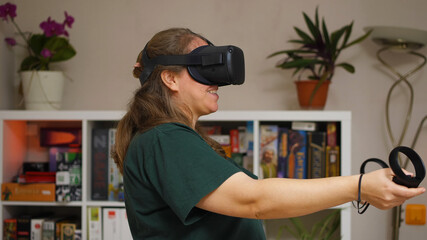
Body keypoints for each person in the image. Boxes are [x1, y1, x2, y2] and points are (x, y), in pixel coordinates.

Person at [112, 27, 425, 239]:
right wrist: (359, 187)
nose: (217, 82)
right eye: (203, 67)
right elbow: (254, 200)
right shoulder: (165, 140)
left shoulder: (170, 140)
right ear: (170, 78)